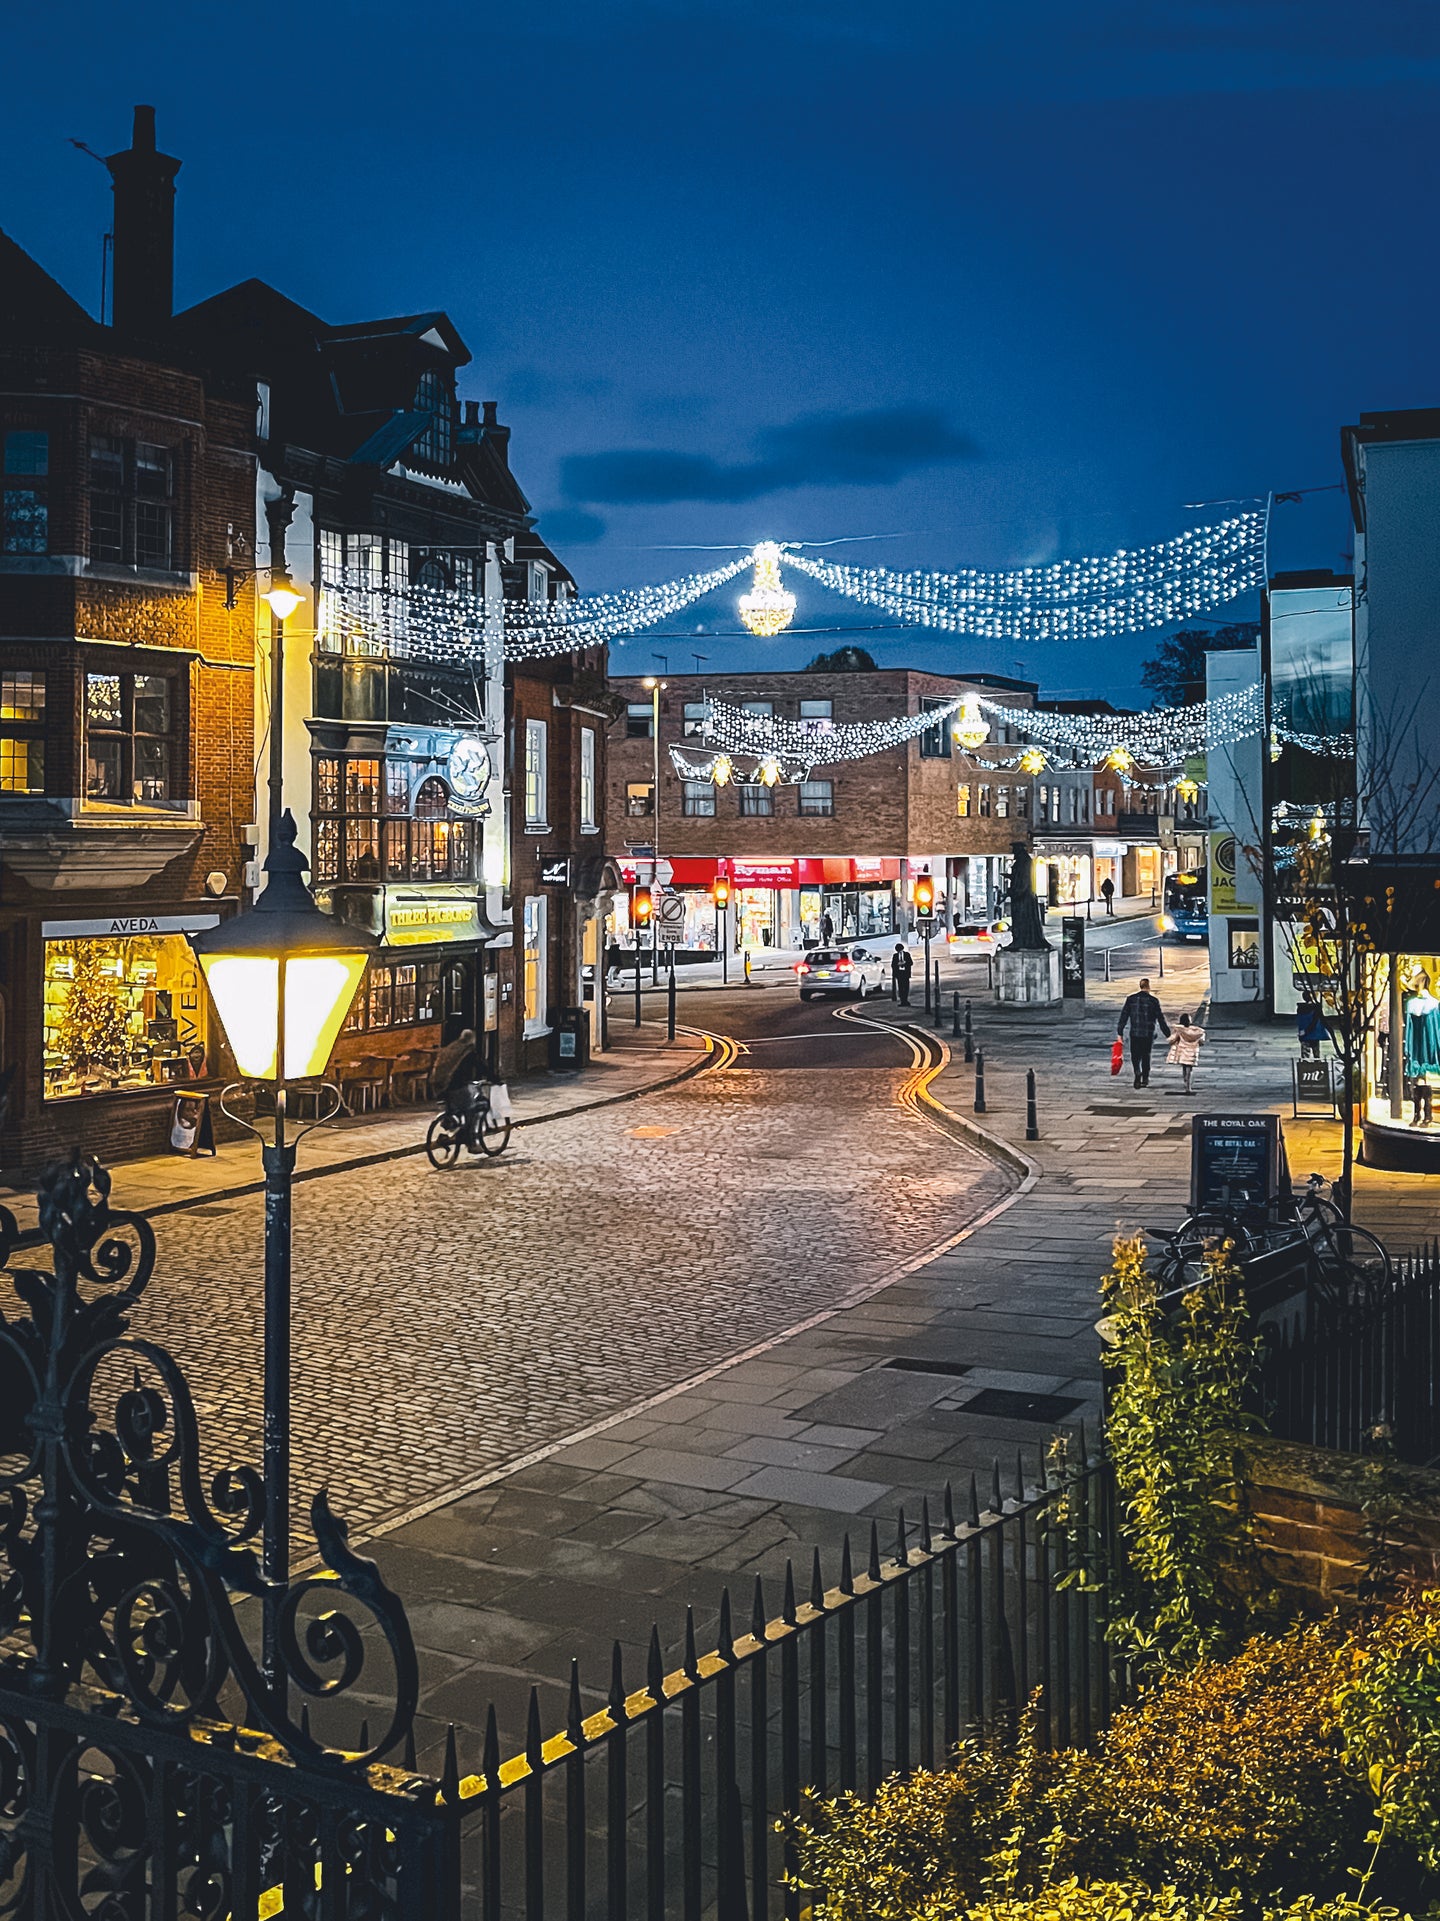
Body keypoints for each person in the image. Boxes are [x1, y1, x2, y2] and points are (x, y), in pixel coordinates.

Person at [1116, 977, 1170, 1088]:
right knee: (1146, 1056)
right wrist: (1168, 1034)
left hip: (1135, 1033)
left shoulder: (1131, 999)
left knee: (1135, 1055)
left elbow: (1124, 1016)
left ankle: (1137, 1071)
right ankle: (1145, 1078)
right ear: (1148, 987)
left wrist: (1120, 1031)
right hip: (1148, 1033)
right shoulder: (1153, 1001)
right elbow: (1161, 1019)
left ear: (1140, 986)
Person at [434, 1027, 482, 1118]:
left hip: (439, 1083)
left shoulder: (452, 1046)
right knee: (470, 1108)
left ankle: (452, 1122)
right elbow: (479, 1065)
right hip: (455, 1084)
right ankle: (466, 1131)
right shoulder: (467, 1051)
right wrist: (493, 1077)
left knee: (455, 1107)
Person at [1166, 1011, 1206, 1094]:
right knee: (1189, 1069)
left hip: (1183, 1052)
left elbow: (1171, 1040)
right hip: (1192, 1052)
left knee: (1184, 1068)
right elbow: (1202, 1041)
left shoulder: (1179, 1030)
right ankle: (1188, 1085)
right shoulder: (1197, 1031)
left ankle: (1186, 1083)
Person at [1296, 991, 1327, 1060]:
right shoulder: (1316, 1008)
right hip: (1314, 1034)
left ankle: (1305, 1068)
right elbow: (1315, 1022)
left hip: (1304, 1034)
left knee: (1305, 1056)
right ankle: (1318, 1068)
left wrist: (1303, 1032)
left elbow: (1300, 1022)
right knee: (1316, 1055)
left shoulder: (1300, 1008)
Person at [891, 942, 914, 1006]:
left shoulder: (907, 954)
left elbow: (911, 963)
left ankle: (905, 1000)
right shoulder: (895, 956)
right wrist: (897, 964)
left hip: (905, 973)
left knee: (906, 987)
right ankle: (902, 1001)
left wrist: (905, 963)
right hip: (899, 973)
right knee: (900, 987)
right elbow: (893, 965)